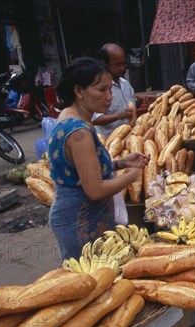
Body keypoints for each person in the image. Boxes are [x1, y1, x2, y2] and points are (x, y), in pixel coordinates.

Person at [48, 57, 149, 260]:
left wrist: (120, 163)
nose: (109, 96)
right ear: (78, 91)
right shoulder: (79, 133)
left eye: (110, 90)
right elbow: (94, 190)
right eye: (101, 90)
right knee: (89, 281)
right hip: (81, 220)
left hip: (79, 214)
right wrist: (132, 175)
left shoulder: (69, 117)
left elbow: (80, 170)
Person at [92, 42, 136, 138]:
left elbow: (129, 108)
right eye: (117, 65)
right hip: (109, 143)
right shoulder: (99, 89)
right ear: (104, 64)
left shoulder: (125, 84)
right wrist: (119, 116)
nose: (122, 68)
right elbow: (95, 119)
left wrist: (140, 102)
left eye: (124, 63)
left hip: (129, 139)